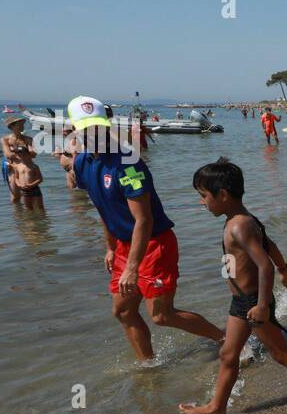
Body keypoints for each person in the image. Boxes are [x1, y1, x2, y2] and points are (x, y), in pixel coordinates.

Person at [56, 96, 224, 359]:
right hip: (123, 245)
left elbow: (143, 220)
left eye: (97, 126)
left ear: (106, 124)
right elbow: (103, 208)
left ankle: (226, 340)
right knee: (123, 311)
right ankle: (149, 368)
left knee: (161, 315)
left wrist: (132, 268)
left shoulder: (128, 163)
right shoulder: (83, 162)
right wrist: (110, 248)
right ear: (75, 128)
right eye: (85, 128)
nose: (93, 133)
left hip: (154, 244)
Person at [179, 159, 287, 414]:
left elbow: (263, 266)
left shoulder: (239, 225)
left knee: (281, 353)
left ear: (222, 195)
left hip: (254, 303)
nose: (202, 202)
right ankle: (217, 408)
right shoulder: (240, 220)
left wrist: (263, 305)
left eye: (204, 196)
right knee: (228, 354)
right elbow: (269, 244)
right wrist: (285, 268)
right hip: (241, 303)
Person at [0, 114, 34, 200]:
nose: (22, 126)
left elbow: (33, 154)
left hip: (27, 168)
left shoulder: (28, 139)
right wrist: (23, 150)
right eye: (19, 124)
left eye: (22, 124)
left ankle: (30, 213)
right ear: (12, 126)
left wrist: (30, 150)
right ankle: (17, 213)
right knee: (15, 197)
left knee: (29, 195)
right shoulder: (5, 139)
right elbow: (8, 154)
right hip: (13, 169)